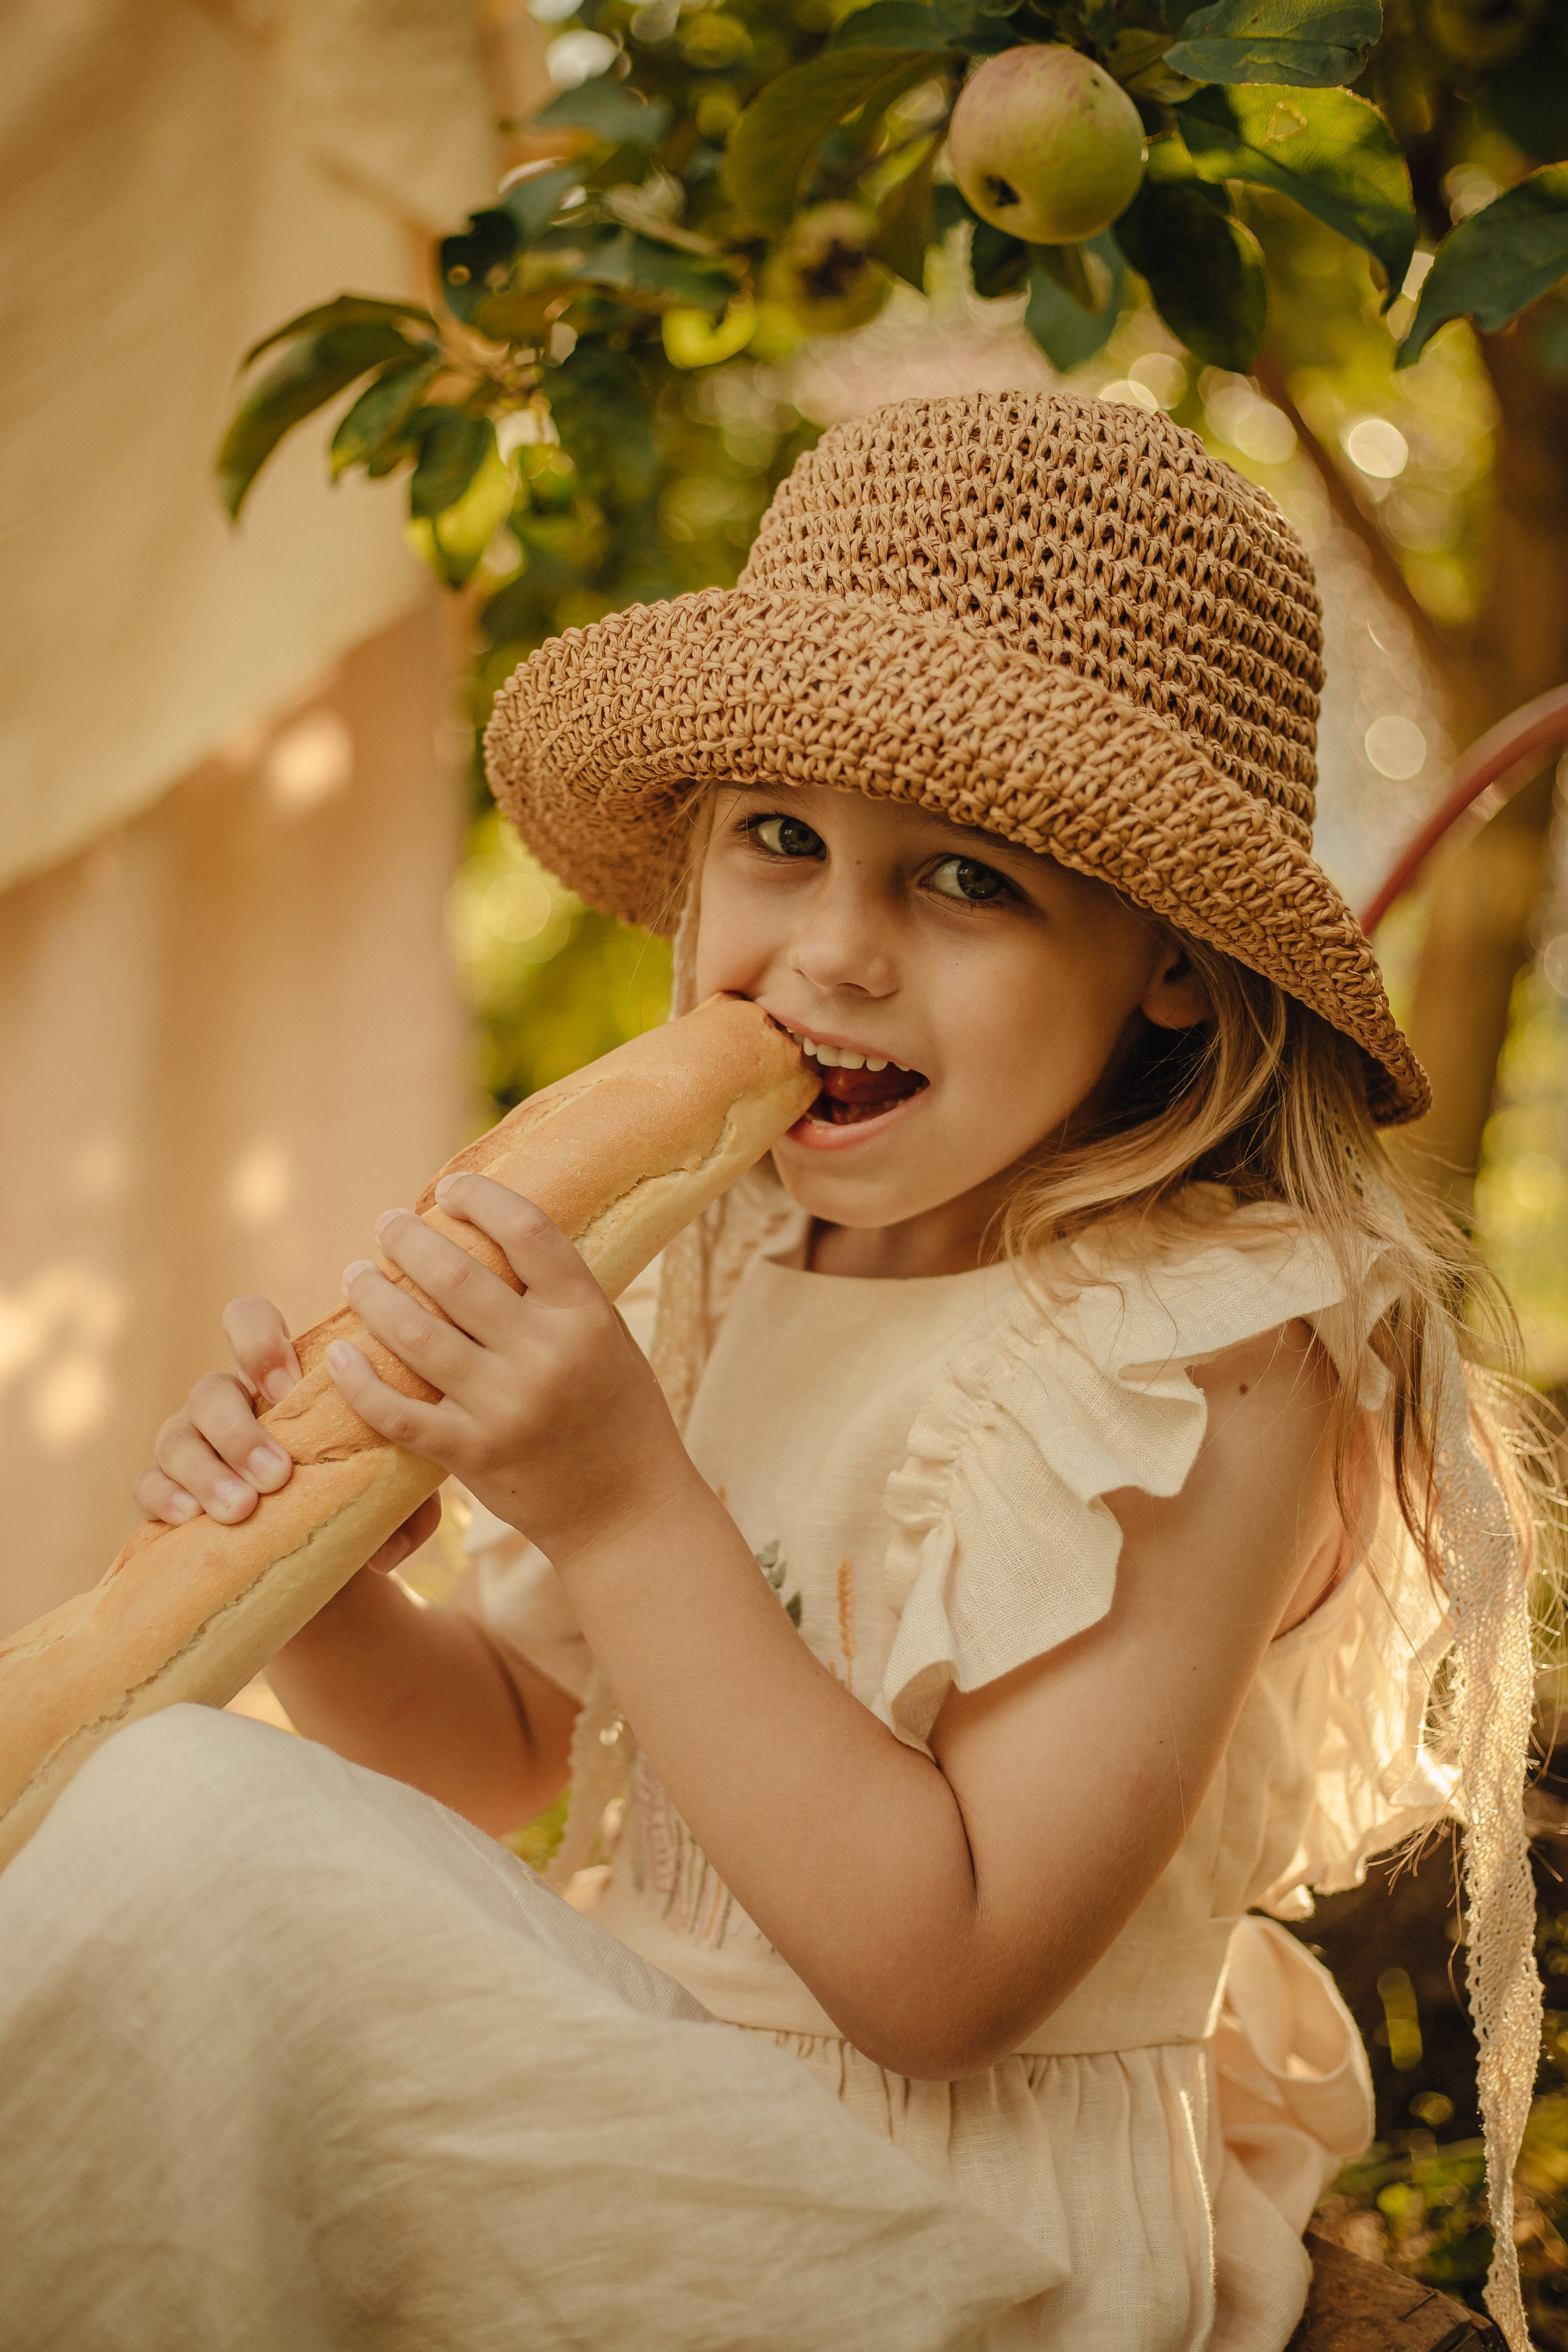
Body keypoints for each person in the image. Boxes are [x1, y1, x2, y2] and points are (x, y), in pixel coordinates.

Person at [0, 392, 1547, 2352]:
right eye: (782, 842)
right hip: (641, 2103)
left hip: (934, 2230)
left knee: (196, 1843)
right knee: (168, 1781)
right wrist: (319, 1581)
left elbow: (945, 1974)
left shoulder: (1216, 1352)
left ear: (1167, 958)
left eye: (966, 878)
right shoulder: (723, 1264)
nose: (835, 950)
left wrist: (619, 1492)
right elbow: (517, 1755)